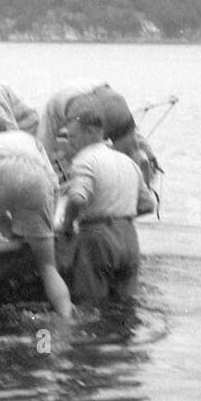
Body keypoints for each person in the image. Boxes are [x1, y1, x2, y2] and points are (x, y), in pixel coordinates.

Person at [0, 118, 73, 319]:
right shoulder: (28, 139)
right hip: (36, 178)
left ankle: (5, 235)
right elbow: (54, 185)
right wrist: (47, 224)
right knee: (48, 267)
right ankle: (66, 316)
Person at [58, 97, 156, 302]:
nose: (70, 142)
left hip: (97, 238)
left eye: (73, 136)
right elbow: (148, 205)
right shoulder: (127, 161)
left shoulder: (84, 160)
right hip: (129, 238)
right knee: (126, 306)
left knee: (90, 304)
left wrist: (68, 227)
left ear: (92, 132)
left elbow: (77, 198)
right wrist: (119, 215)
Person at [39, 80, 156, 182]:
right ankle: (141, 177)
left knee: (89, 161)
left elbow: (44, 149)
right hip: (112, 99)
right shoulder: (75, 88)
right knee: (130, 154)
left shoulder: (50, 113)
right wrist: (147, 149)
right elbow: (131, 128)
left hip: (81, 106)